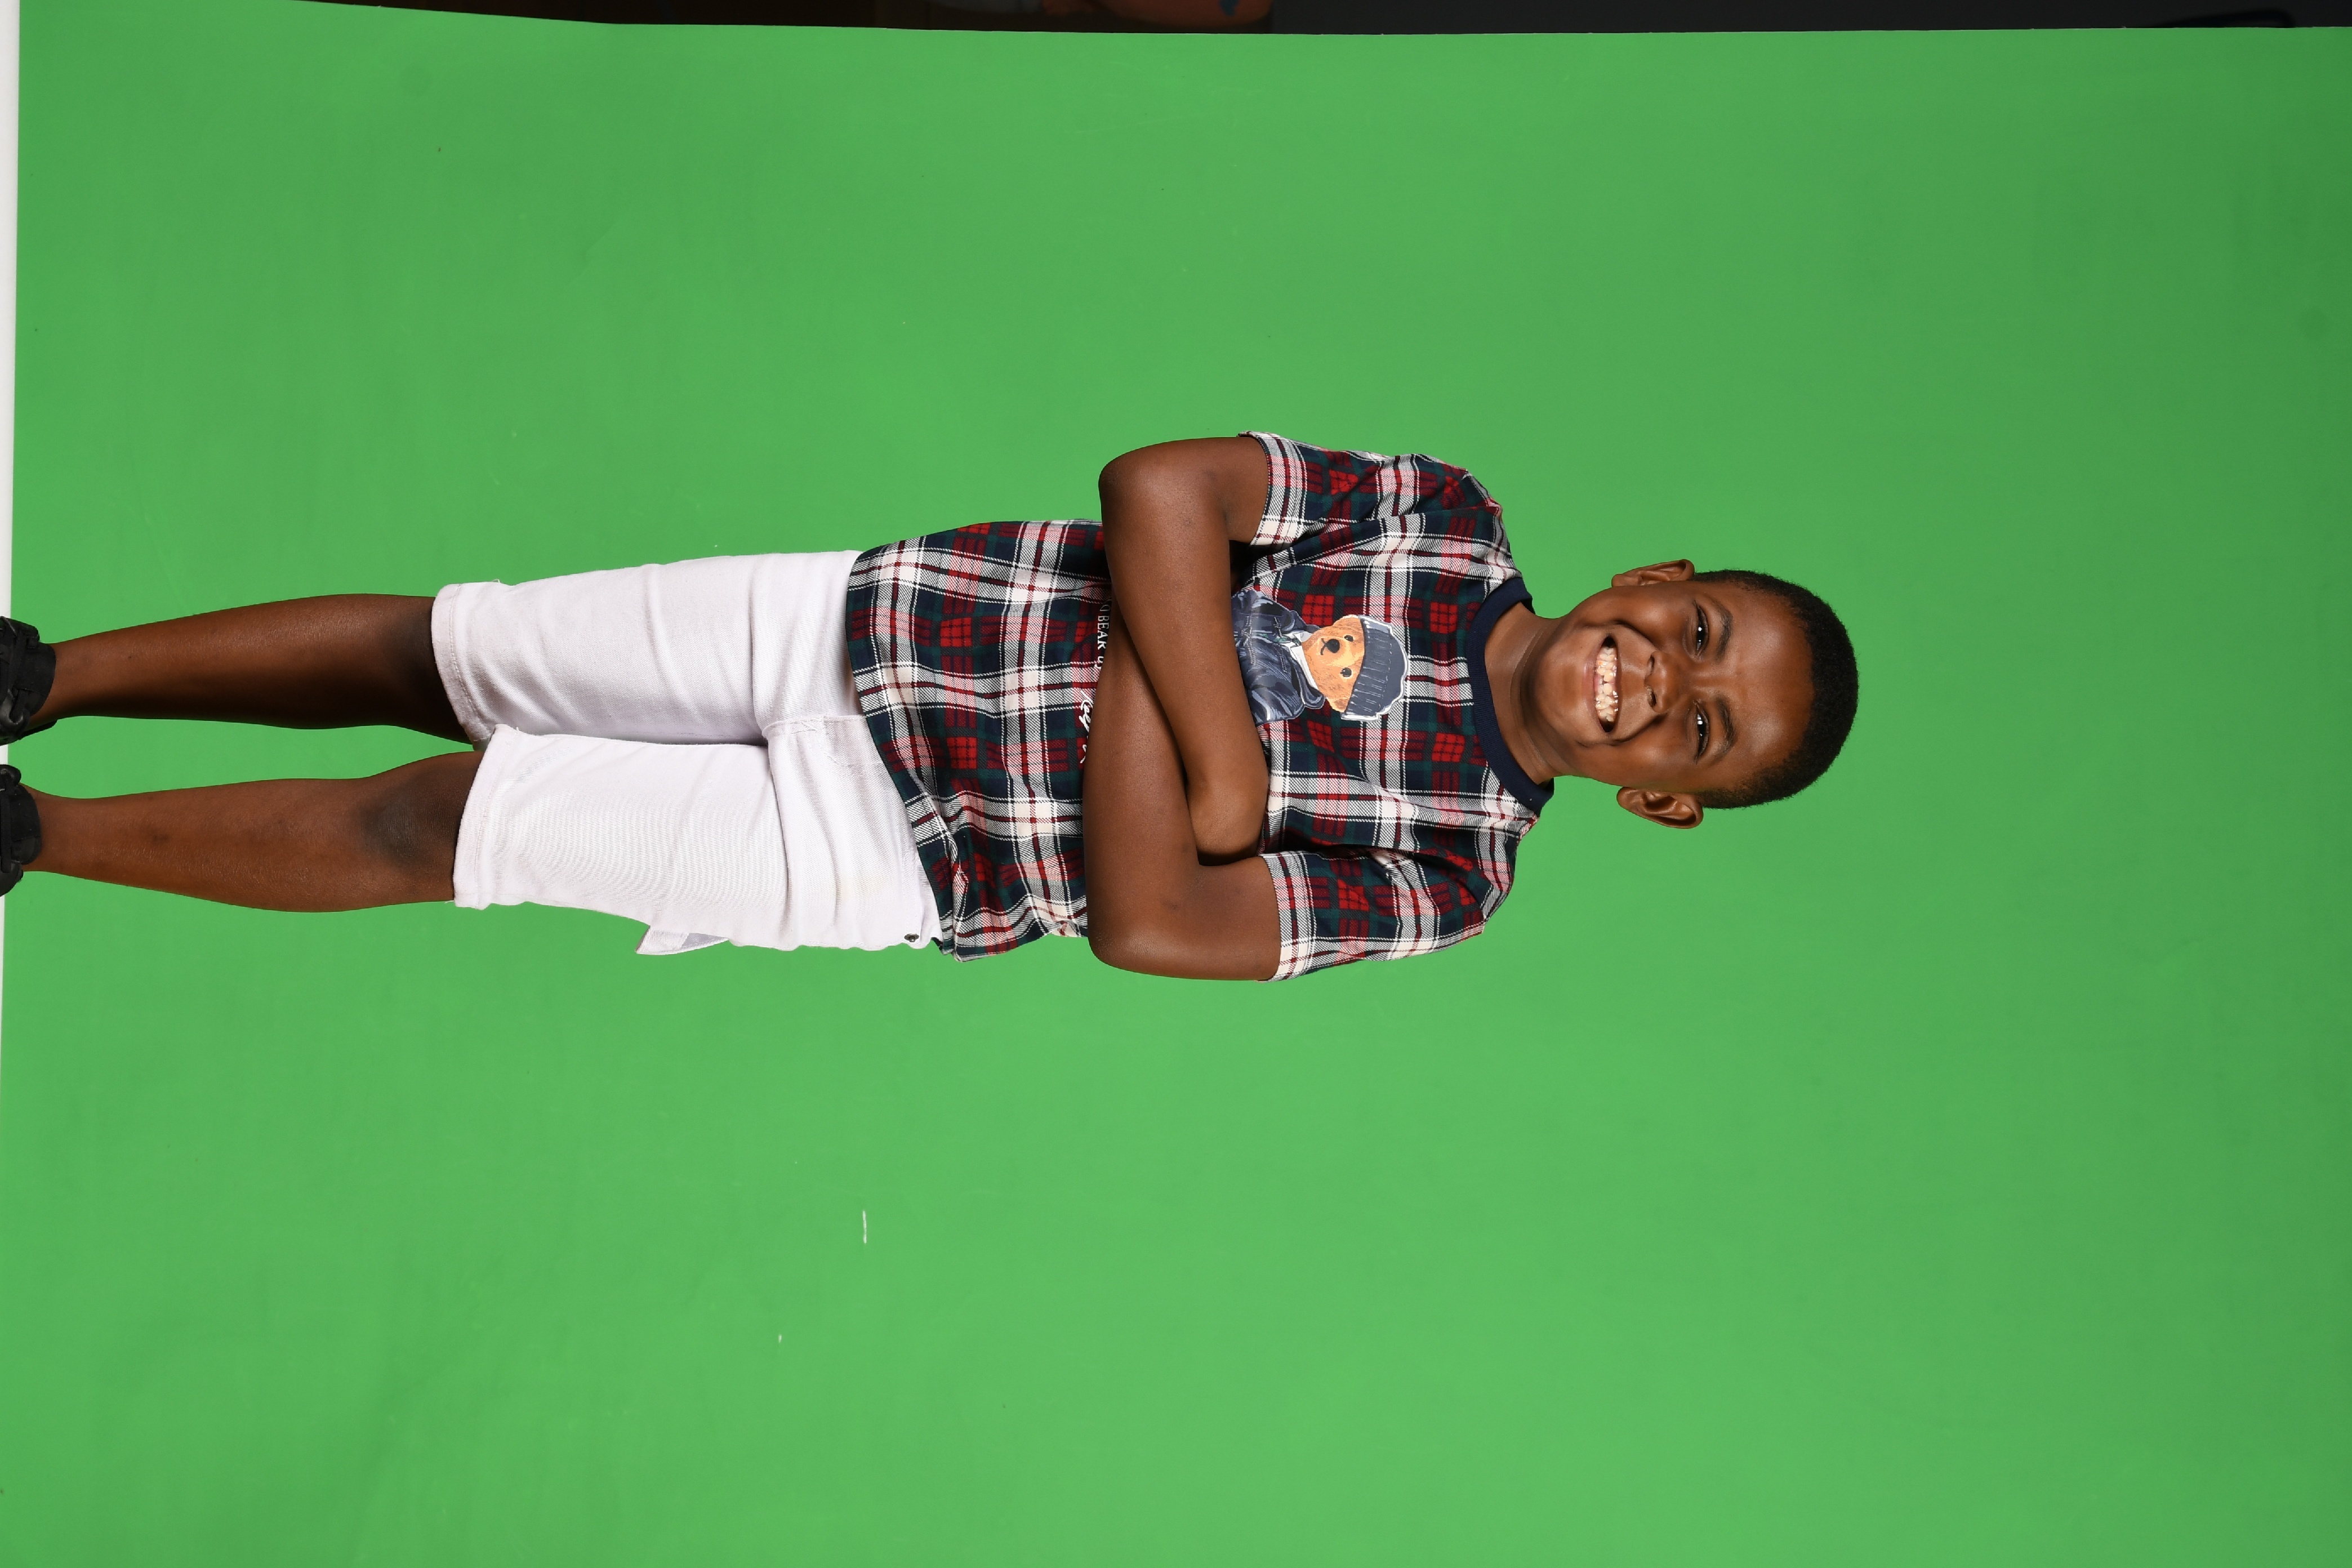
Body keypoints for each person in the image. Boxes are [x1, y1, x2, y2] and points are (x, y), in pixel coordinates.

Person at [0, 433, 1857, 981]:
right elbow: (1159, 488)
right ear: (1656, 573)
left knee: (452, 820)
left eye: (1702, 728)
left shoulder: (1454, 871)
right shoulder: (1442, 522)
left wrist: (1169, 629)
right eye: (1695, 631)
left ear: (1664, 800)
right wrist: (1214, 759)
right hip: (856, 618)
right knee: (451, 649)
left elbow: (1150, 925)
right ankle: (48, 676)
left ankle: (34, 838)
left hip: (890, 850)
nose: (1662, 680)